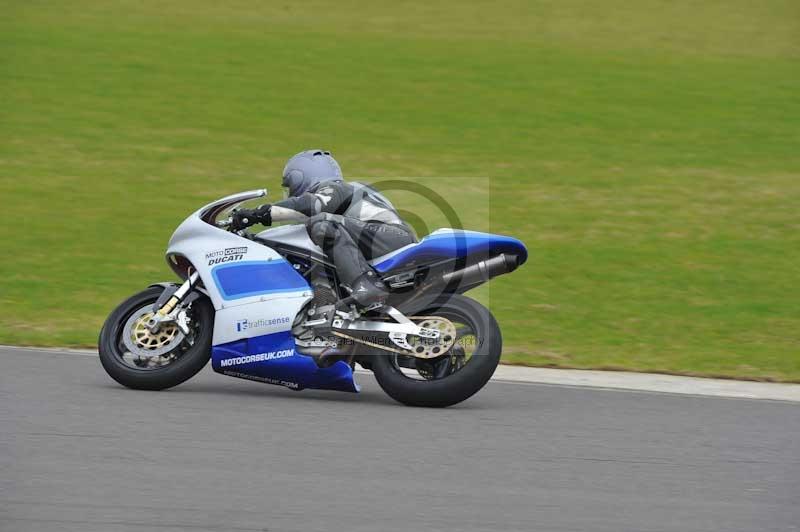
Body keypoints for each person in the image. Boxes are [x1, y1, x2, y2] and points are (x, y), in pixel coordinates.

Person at [231, 149, 417, 309]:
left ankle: (365, 285)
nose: (290, 193)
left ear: (301, 177)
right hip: (381, 241)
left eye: (290, 186)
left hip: (392, 237)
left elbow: (311, 205)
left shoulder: (336, 188)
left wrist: (258, 214)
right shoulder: (346, 198)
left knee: (323, 224)